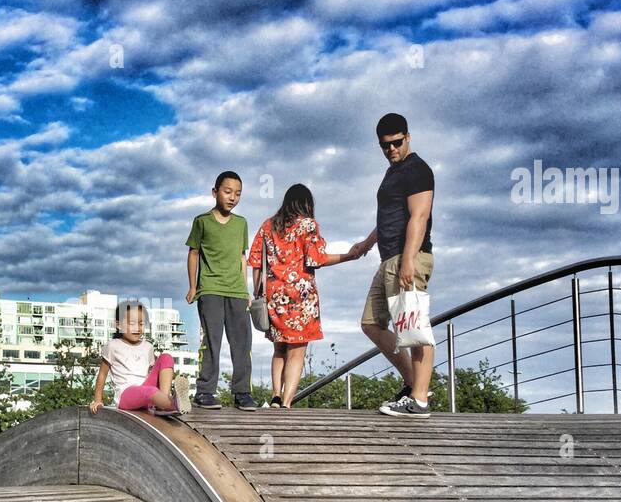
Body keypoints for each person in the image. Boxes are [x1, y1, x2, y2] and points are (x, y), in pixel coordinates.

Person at [347, 113, 436, 417]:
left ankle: (421, 400)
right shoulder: (392, 172)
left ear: (408, 136)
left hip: (408, 257)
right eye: (385, 146)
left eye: (396, 143)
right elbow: (389, 217)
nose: (391, 150)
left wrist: (408, 259)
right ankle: (413, 385)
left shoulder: (418, 170)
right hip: (389, 258)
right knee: (371, 322)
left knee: (414, 327)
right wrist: (366, 244)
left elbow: (419, 216)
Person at [247, 184, 361, 407]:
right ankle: (287, 402)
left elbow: (255, 262)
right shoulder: (308, 225)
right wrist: (348, 256)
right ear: (307, 203)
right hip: (301, 297)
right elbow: (317, 259)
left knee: (279, 348)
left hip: (274, 295)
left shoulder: (268, 226)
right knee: (297, 351)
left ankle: (275, 396)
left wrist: (257, 290)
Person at [185, 171, 258, 410]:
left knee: (242, 342)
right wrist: (193, 286)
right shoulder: (202, 221)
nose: (232, 198)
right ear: (215, 192)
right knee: (211, 341)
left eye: (238, 194)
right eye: (227, 192)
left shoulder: (241, 223)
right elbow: (193, 252)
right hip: (210, 290)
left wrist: (246, 289)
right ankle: (205, 391)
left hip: (237, 292)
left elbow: (241, 257)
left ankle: (242, 392)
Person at [91, 300, 191, 416]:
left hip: (146, 392)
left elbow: (155, 373)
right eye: (132, 323)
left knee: (166, 357)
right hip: (126, 396)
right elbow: (102, 375)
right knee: (149, 391)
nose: (137, 328)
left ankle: (163, 402)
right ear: (118, 325)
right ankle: (172, 404)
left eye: (141, 324)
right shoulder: (113, 345)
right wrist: (98, 400)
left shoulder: (147, 347)